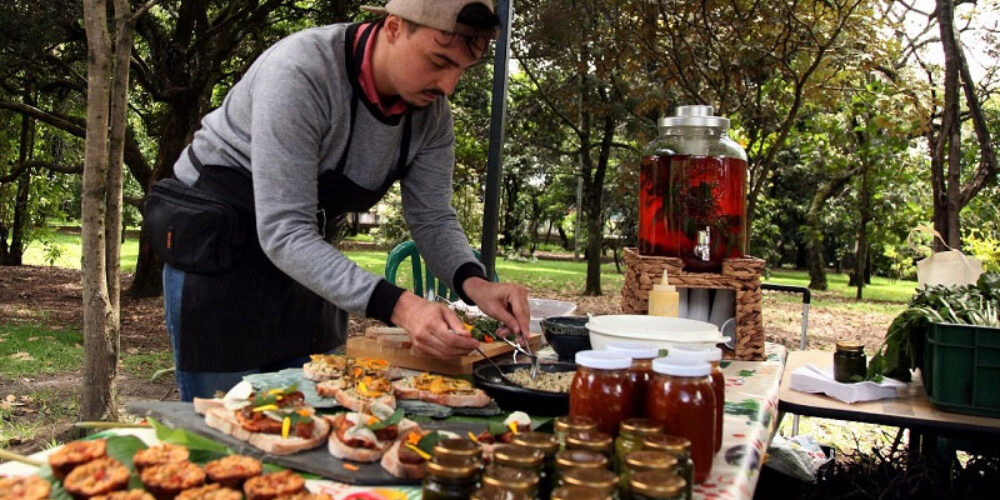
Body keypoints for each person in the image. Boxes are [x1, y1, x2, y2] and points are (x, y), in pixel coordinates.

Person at [154, 0, 529, 402]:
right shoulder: (301, 73)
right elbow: (282, 229)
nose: (448, 86)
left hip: (307, 258)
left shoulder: (432, 117)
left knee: (316, 411)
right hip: (219, 255)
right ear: (393, 28)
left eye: (461, 70)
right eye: (438, 61)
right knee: (228, 428)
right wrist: (401, 306)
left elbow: (433, 217)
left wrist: (475, 284)